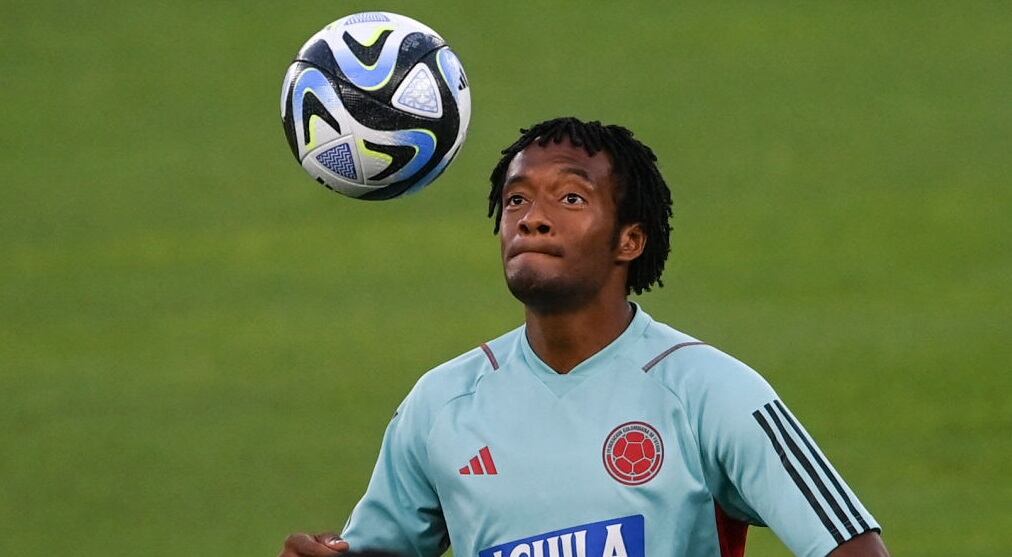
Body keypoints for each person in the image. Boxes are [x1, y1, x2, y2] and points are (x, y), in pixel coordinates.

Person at [280, 117, 889, 557]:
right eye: (516, 200)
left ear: (630, 240)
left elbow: (852, 546)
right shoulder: (440, 406)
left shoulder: (709, 391)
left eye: (570, 197)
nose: (532, 219)